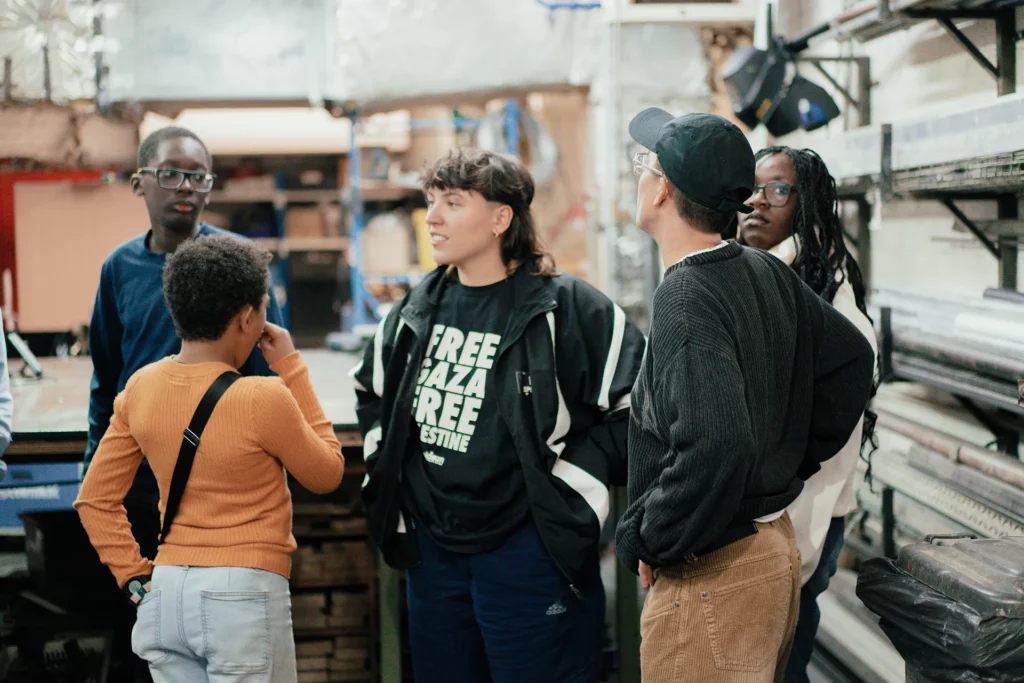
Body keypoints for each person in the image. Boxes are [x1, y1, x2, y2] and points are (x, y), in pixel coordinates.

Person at [351, 148, 645, 683]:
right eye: (431, 202)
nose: (432, 218)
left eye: (452, 203)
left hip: (528, 554)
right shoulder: (417, 308)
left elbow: (640, 411)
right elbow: (371, 393)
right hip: (435, 555)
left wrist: (567, 488)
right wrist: (398, 481)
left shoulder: (568, 309)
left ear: (500, 218)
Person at [614, 109, 875, 683]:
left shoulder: (687, 293)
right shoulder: (759, 267)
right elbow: (853, 361)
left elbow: (718, 443)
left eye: (644, 166)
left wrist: (650, 536)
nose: (638, 177)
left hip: (715, 569)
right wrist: (784, 460)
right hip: (767, 549)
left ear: (662, 190)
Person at [75, 234, 344, 683]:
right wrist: (292, 366)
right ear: (246, 319)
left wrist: (134, 575)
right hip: (241, 598)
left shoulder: (140, 387)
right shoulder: (264, 397)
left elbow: (94, 501)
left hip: (165, 595)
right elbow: (327, 473)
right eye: (262, 307)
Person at [739, 146, 878, 683]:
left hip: (802, 520)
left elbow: (833, 435)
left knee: (779, 664)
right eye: (752, 187)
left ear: (808, 204)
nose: (757, 201)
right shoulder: (754, 274)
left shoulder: (826, 297)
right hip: (765, 520)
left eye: (777, 189)